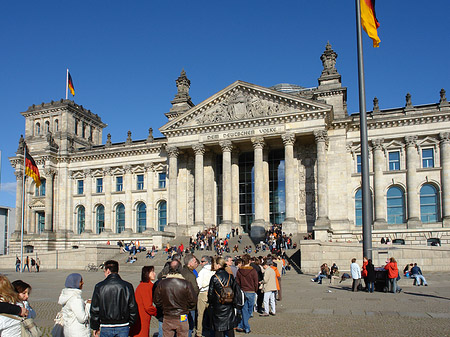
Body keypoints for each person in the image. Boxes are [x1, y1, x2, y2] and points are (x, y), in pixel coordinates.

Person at [90, 260, 138, 337]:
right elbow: (133, 307)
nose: (104, 274)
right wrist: (130, 322)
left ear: (108, 271)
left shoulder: (99, 286)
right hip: (123, 325)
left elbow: (95, 309)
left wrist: (95, 326)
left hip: (106, 326)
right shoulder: (127, 286)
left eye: (104, 271)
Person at [154, 259, 197, 337]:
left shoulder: (162, 284)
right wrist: (186, 307)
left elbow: (157, 301)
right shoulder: (186, 284)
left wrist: (164, 307)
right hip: (182, 315)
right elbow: (193, 301)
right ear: (180, 269)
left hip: (168, 315)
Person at [208, 256, 242, 337]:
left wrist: (211, 303)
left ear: (219, 265)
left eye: (215, 264)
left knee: (219, 328)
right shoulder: (230, 276)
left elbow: (210, 294)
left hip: (218, 305)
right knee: (229, 328)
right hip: (229, 304)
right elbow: (235, 290)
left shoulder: (214, 278)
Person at [130, 266, 157, 337]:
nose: (154, 274)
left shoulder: (144, 285)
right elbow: (148, 307)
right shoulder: (145, 287)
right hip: (142, 318)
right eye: (152, 272)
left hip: (140, 317)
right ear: (147, 274)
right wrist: (157, 312)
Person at [236, 254, 258, 334]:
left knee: (244, 310)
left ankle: (240, 325)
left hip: (243, 291)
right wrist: (255, 290)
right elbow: (256, 282)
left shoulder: (239, 271)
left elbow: (237, 282)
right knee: (249, 310)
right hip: (251, 291)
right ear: (249, 261)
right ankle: (247, 327)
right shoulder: (253, 271)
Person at [180, 254, 199, 337]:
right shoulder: (190, 275)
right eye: (195, 262)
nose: (196, 263)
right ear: (190, 263)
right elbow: (195, 290)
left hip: (181, 305)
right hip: (189, 307)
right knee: (189, 325)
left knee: (183, 324)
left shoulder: (182, 271)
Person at [196, 256, 215, 337]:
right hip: (212, 293)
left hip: (203, 293)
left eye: (202, 261)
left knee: (200, 314)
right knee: (212, 314)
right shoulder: (214, 270)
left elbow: (198, 284)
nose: (201, 263)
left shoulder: (202, 271)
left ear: (206, 262)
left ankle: (199, 332)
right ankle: (212, 331)